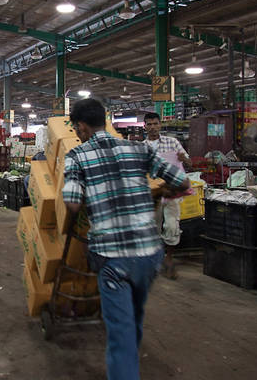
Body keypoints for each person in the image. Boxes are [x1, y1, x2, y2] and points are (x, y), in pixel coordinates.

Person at [62, 99, 189, 380]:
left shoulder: (77, 156)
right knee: (134, 317)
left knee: (120, 332)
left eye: (76, 128)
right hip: (148, 254)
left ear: (82, 126)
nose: (76, 133)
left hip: (112, 257)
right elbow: (182, 181)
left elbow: (71, 202)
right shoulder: (140, 148)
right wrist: (157, 192)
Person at [143, 112, 191, 279]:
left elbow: (189, 162)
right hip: (153, 194)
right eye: (149, 124)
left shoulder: (172, 142)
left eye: (155, 123)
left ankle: (169, 259)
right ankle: (155, 261)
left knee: (171, 227)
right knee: (153, 229)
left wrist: (183, 158)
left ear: (160, 125)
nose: (153, 127)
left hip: (172, 192)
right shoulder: (142, 147)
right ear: (145, 126)